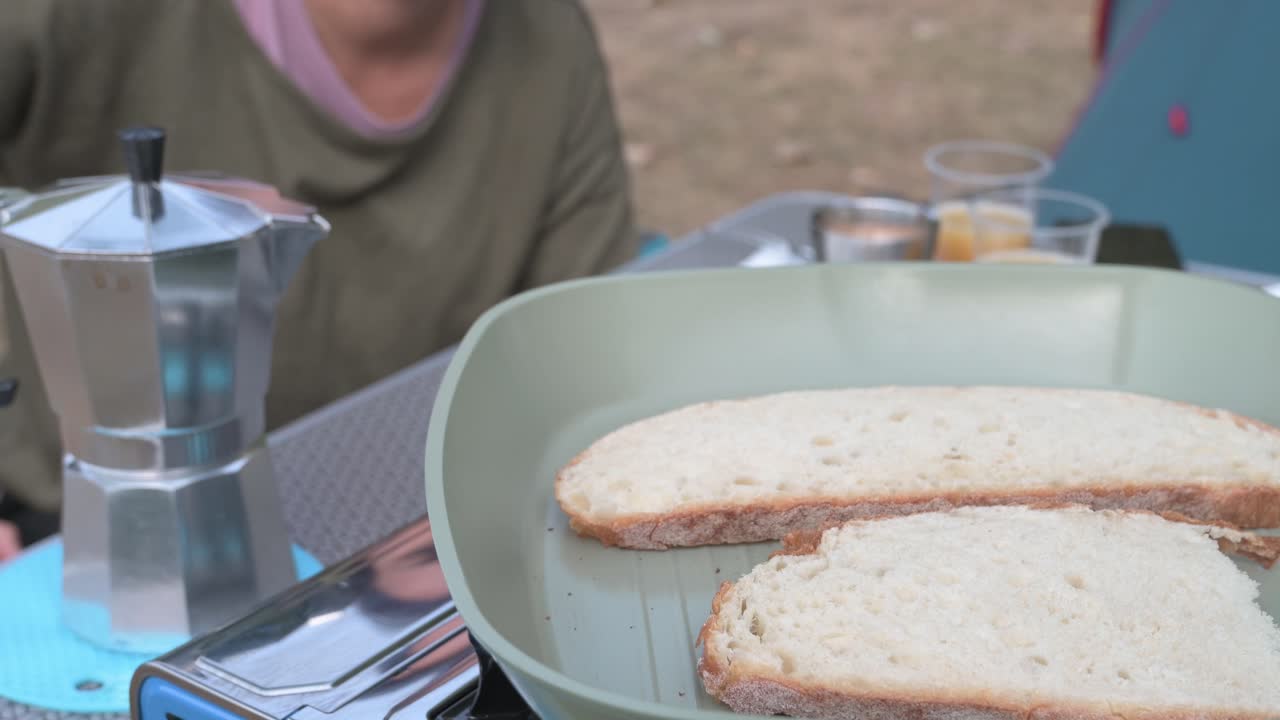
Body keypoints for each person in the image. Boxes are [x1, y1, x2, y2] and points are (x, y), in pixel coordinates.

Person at [0, 0, 638, 560]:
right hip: (62, 531)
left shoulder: (548, 41)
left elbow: (590, 354)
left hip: (417, 530)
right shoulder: (68, 17)